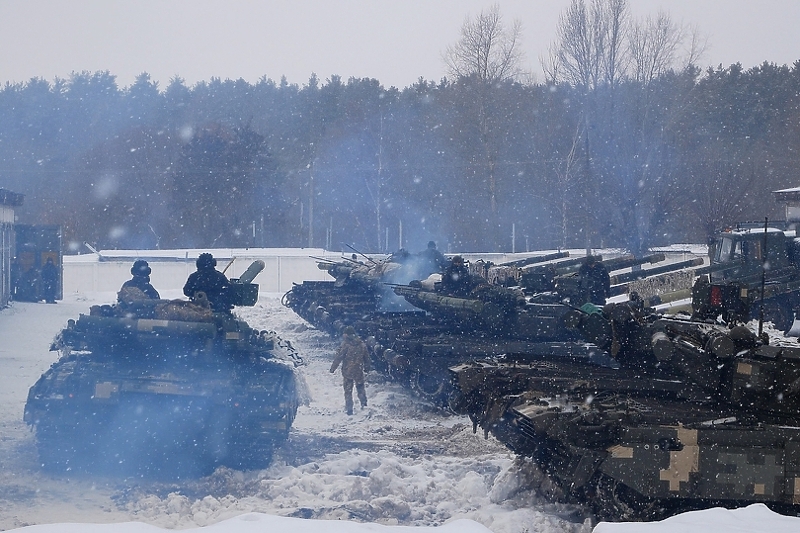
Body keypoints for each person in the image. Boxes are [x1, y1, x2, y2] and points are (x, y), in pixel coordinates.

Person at [329, 326, 371, 415]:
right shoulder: (361, 344)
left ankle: (349, 410)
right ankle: (364, 405)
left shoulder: (345, 345)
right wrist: (367, 368)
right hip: (358, 371)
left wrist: (333, 368)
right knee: (360, 388)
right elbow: (367, 358)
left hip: (348, 371)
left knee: (348, 391)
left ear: (347, 335)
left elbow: (338, 357)